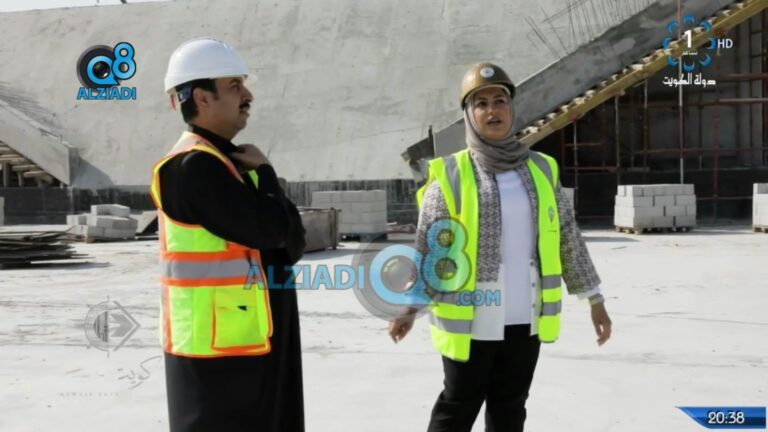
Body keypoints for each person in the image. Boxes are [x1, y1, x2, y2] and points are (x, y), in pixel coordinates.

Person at [388, 62, 612, 432]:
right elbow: (430, 248)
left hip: (525, 316)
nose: (492, 110)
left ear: (511, 108)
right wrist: (410, 307)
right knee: (457, 408)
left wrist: (595, 299)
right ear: (468, 114)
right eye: (481, 103)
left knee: (510, 409)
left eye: (500, 101)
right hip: (470, 320)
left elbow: (567, 237)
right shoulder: (451, 175)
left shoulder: (542, 169)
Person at [149, 38, 306, 432]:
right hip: (216, 358)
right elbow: (273, 229)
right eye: (235, 86)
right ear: (202, 98)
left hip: (248, 343)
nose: (247, 96)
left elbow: (293, 243)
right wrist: (267, 173)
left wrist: (263, 176)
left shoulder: (231, 164)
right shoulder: (192, 168)